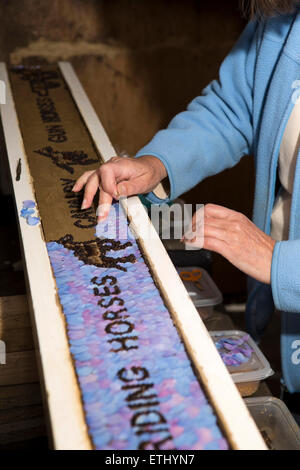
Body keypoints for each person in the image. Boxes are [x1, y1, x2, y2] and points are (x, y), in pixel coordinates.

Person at [73, 0, 300, 408]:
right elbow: (235, 110)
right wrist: (158, 163)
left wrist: (279, 263)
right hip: (281, 325)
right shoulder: (285, 17)